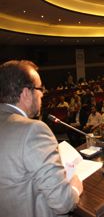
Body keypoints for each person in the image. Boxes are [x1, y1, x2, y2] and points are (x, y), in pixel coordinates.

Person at [0, 60, 83, 217]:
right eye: (39, 88)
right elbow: (62, 203)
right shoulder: (33, 130)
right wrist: (74, 188)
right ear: (25, 93)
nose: (43, 94)